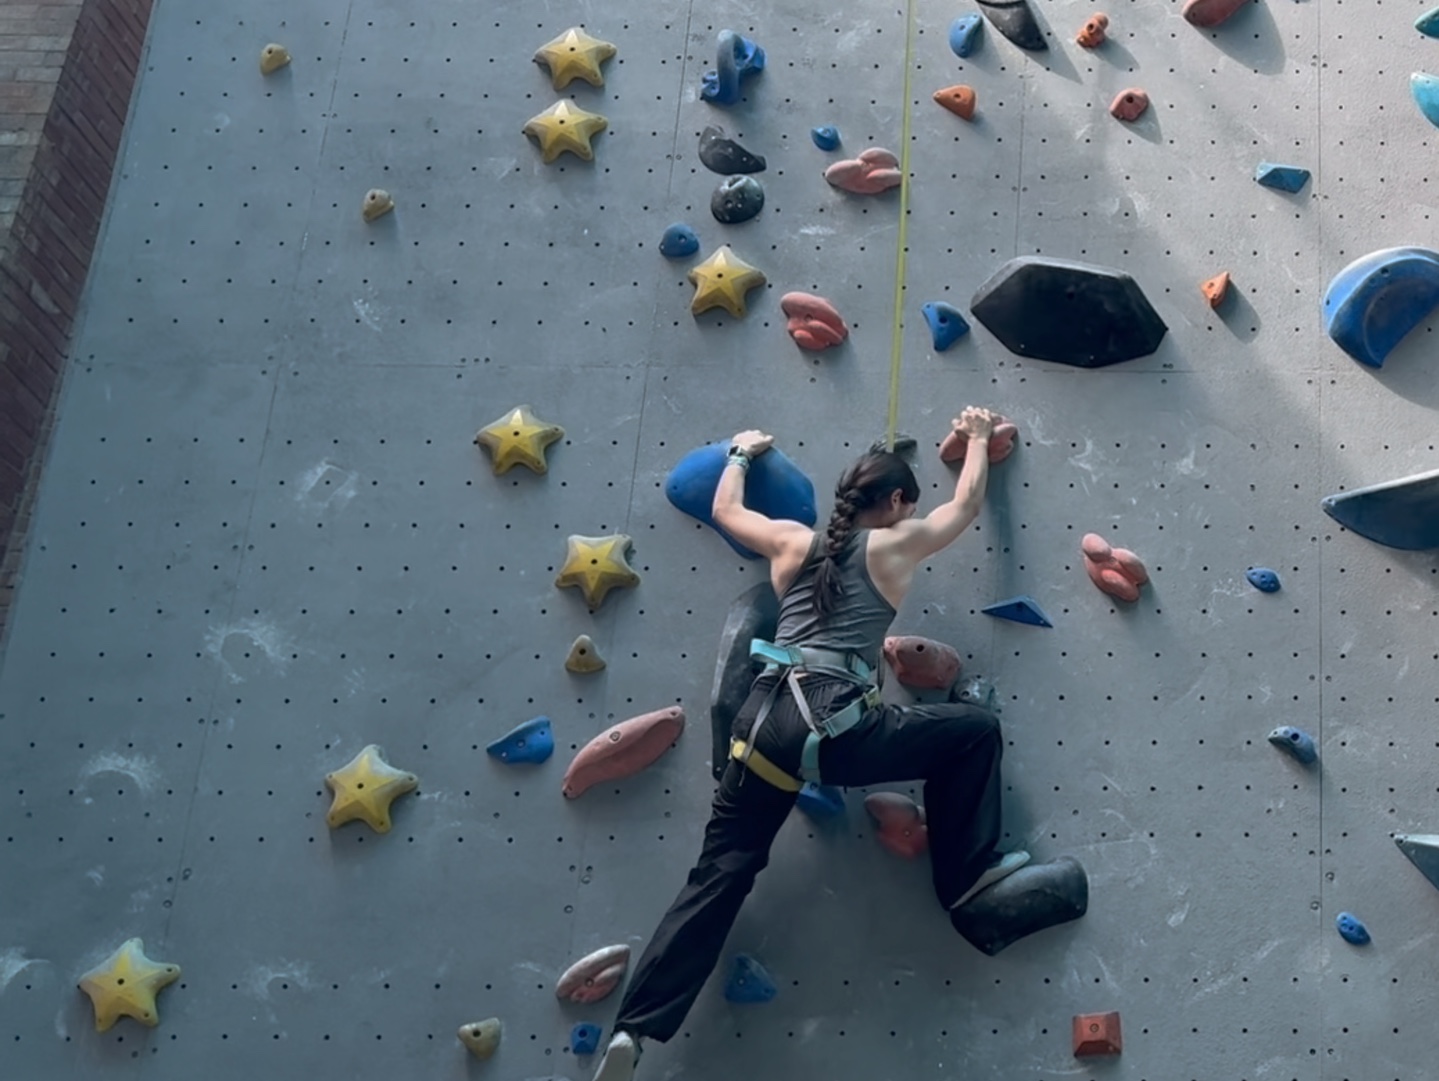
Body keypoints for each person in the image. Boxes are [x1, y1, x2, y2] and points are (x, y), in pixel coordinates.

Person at [592, 407, 1027, 1081]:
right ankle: (966, 877)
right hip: (837, 729)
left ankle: (634, 1028)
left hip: (759, 728)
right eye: (907, 503)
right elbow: (966, 503)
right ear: (894, 503)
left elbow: (725, 508)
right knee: (973, 732)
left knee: (719, 875)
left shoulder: (792, 542)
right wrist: (973, 437)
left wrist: (739, 452)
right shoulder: (891, 545)